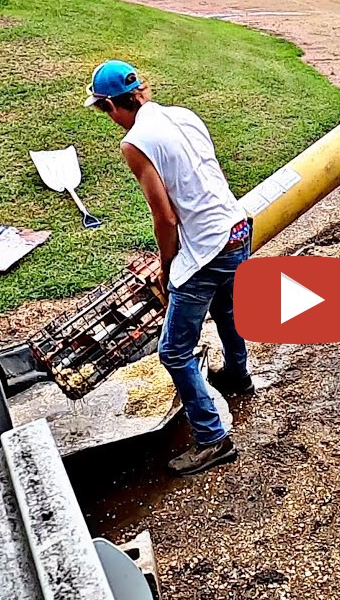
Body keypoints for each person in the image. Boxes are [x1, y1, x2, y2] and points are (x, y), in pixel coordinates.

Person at [86, 59, 253, 476]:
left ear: (112, 104)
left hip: (208, 249)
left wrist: (167, 265)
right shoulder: (183, 115)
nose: (110, 121)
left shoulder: (135, 142)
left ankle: (213, 440)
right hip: (237, 229)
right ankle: (238, 375)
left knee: (174, 352)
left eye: (105, 111)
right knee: (228, 310)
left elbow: (166, 218)